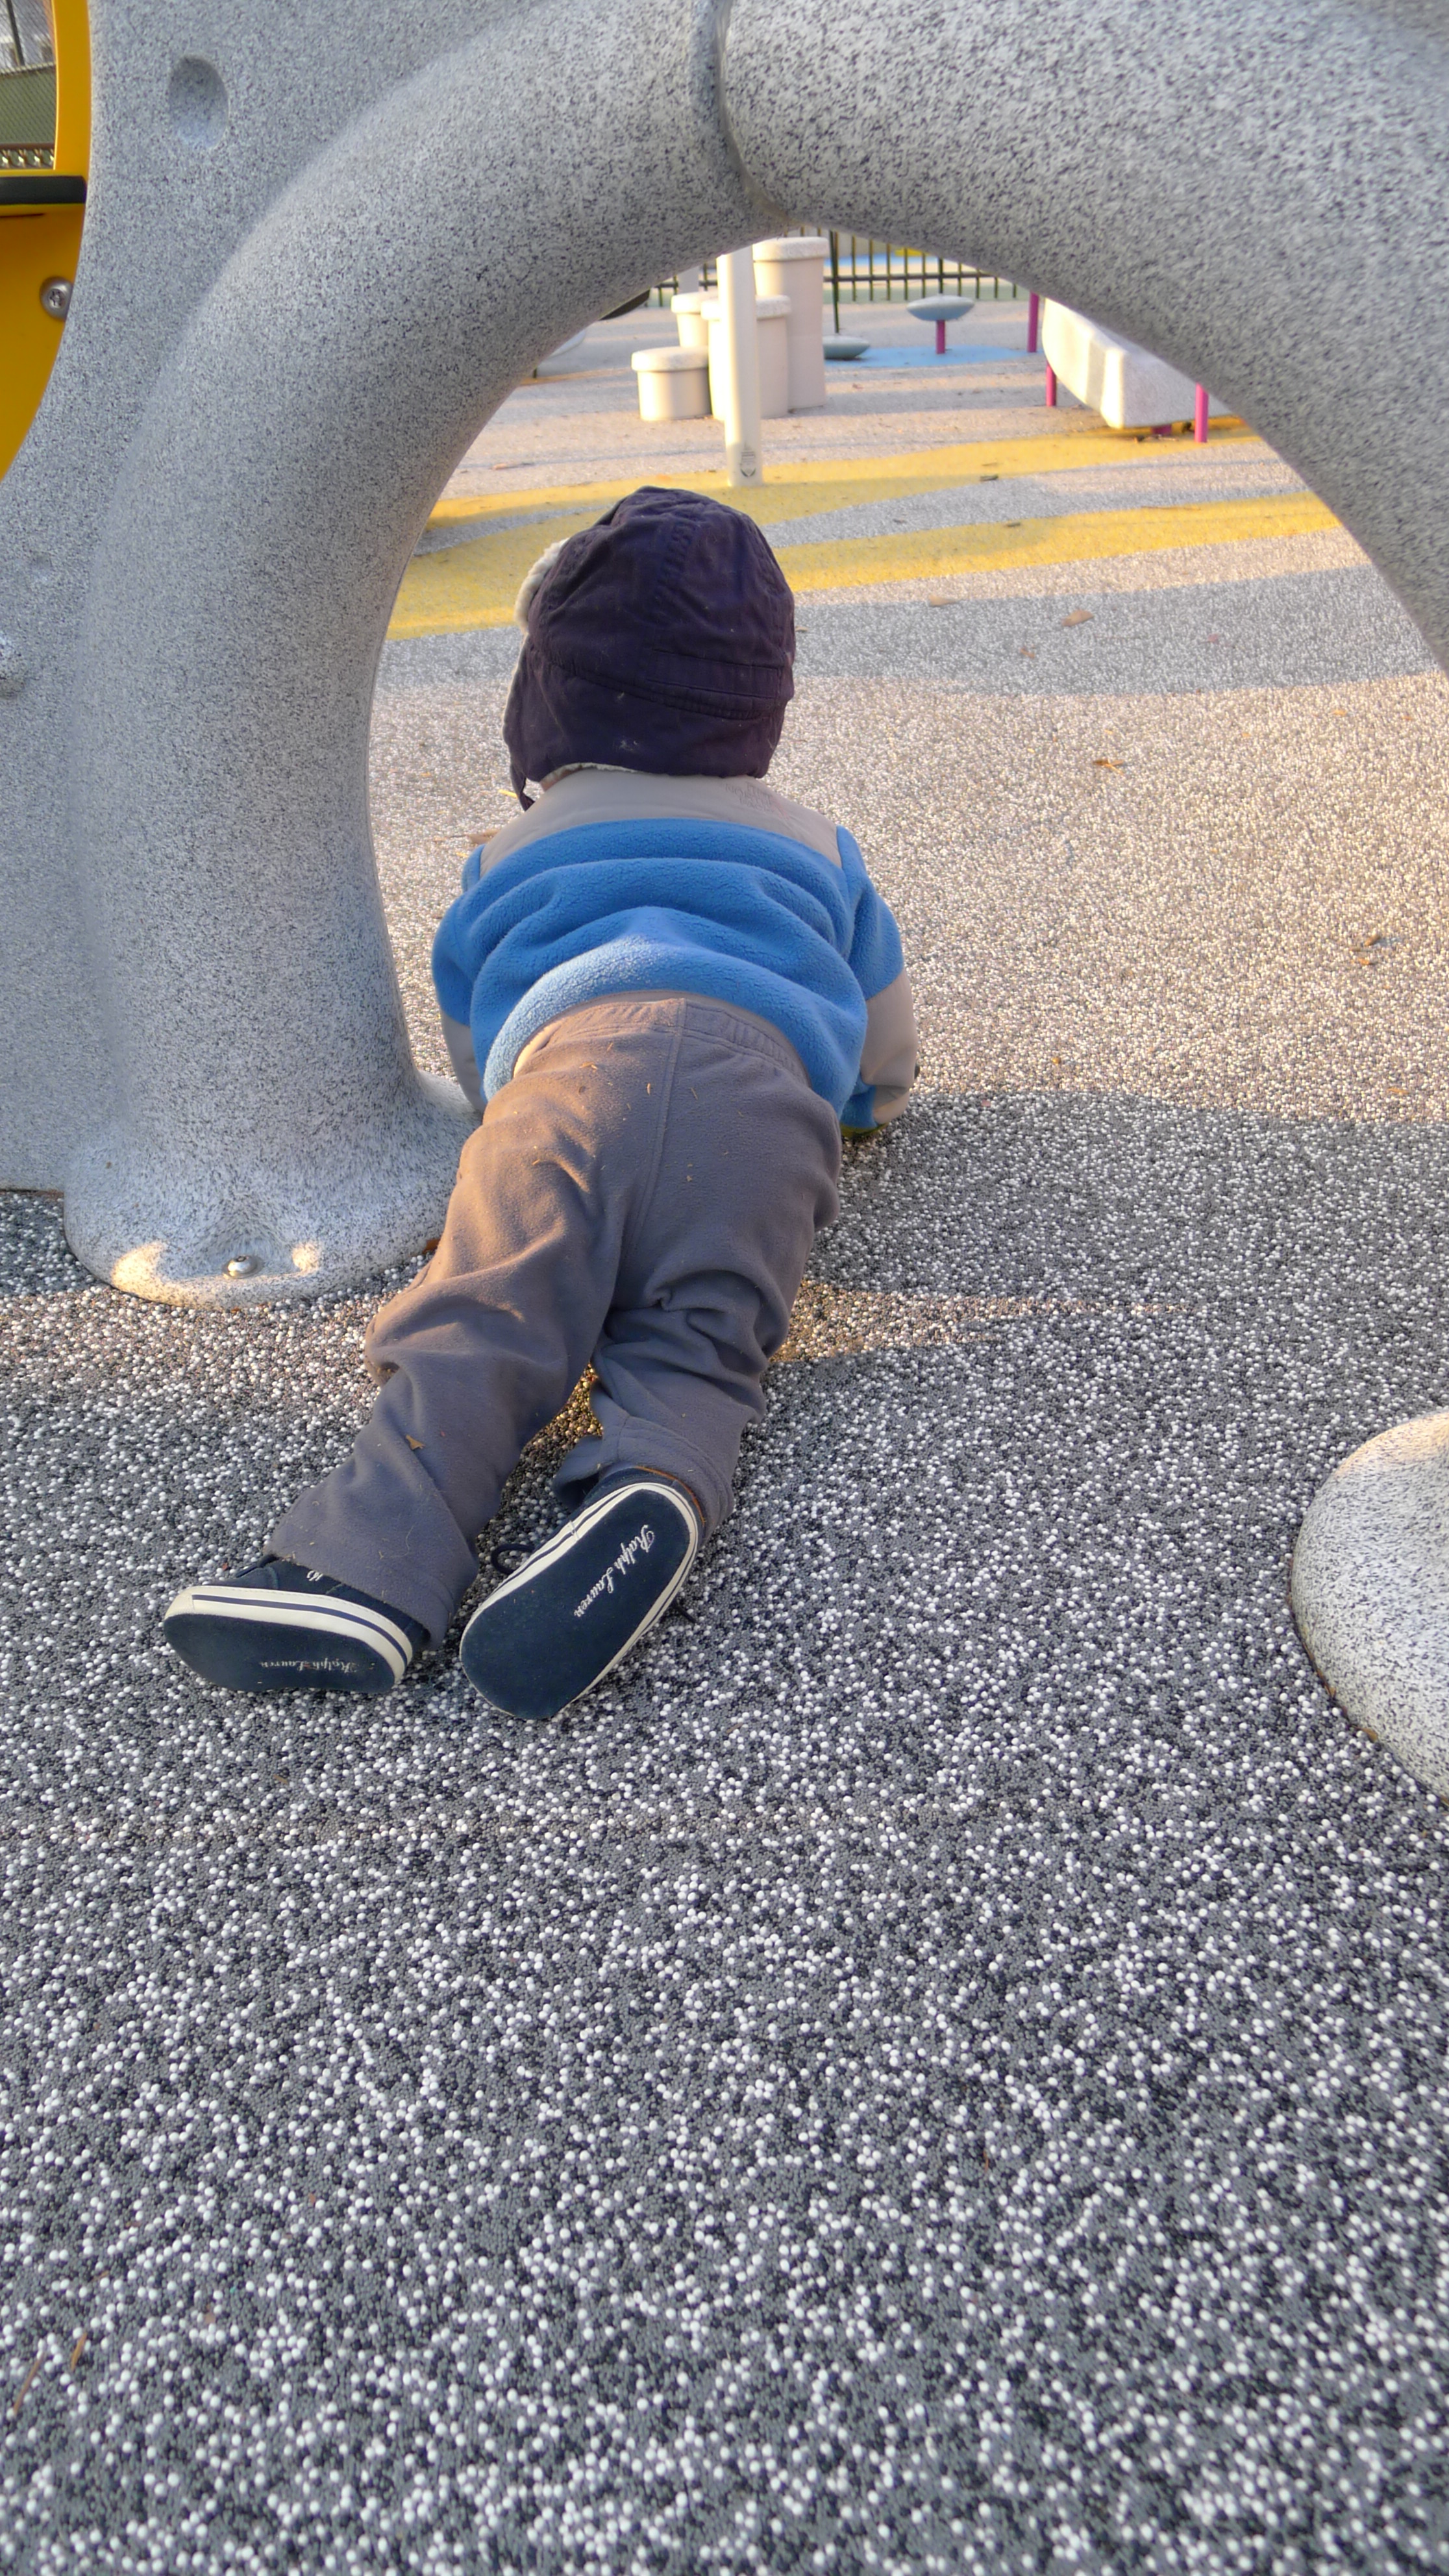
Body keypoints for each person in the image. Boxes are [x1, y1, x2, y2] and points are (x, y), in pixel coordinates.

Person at [164, 488, 916, 1719]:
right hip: (766, 1118)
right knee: (702, 1341)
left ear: (545, 694)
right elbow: (886, 1043)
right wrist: (863, 1107)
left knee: (481, 1325)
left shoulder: (503, 857)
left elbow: (477, 1046)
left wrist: (509, 1125)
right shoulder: (819, 845)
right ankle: (653, 1480)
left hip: (567, 1088)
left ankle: (362, 1568)